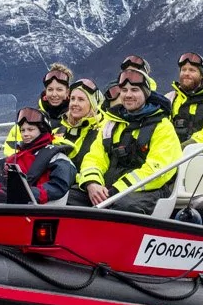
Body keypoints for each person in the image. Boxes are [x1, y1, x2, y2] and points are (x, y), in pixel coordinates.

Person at [76, 68, 182, 213]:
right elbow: (95, 157)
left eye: (134, 90)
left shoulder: (162, 126)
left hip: (147, 189)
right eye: (124, 90)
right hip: (108, 187)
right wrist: (92, 183)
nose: (128, 95)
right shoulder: (111, 123)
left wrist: (116, 190)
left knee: (123, 206)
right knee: (71, 196)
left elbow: (158, 171)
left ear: (146, 93)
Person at [0, 107, 76, 204]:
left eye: (30, 129)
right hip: (13, 208)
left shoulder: (58, 158)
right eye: (23, 130)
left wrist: (26, 194)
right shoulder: (15, 158)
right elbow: (1, 181)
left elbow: (58, 186)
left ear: (42, 130)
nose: (25, 134)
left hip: (38, 212)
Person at [5, 63, 74, 154]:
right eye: (50, 89)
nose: (54, 94)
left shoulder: (76, 119)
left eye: (59, 90)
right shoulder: (30, 117)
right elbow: (10, 149)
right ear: (45, 91)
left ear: (67, 92)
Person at [51, 78, 101, 165]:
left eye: (81, 99)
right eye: (72, 99)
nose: (75, 103)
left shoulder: (102, 132)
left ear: (93, 104)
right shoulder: (57, 131)